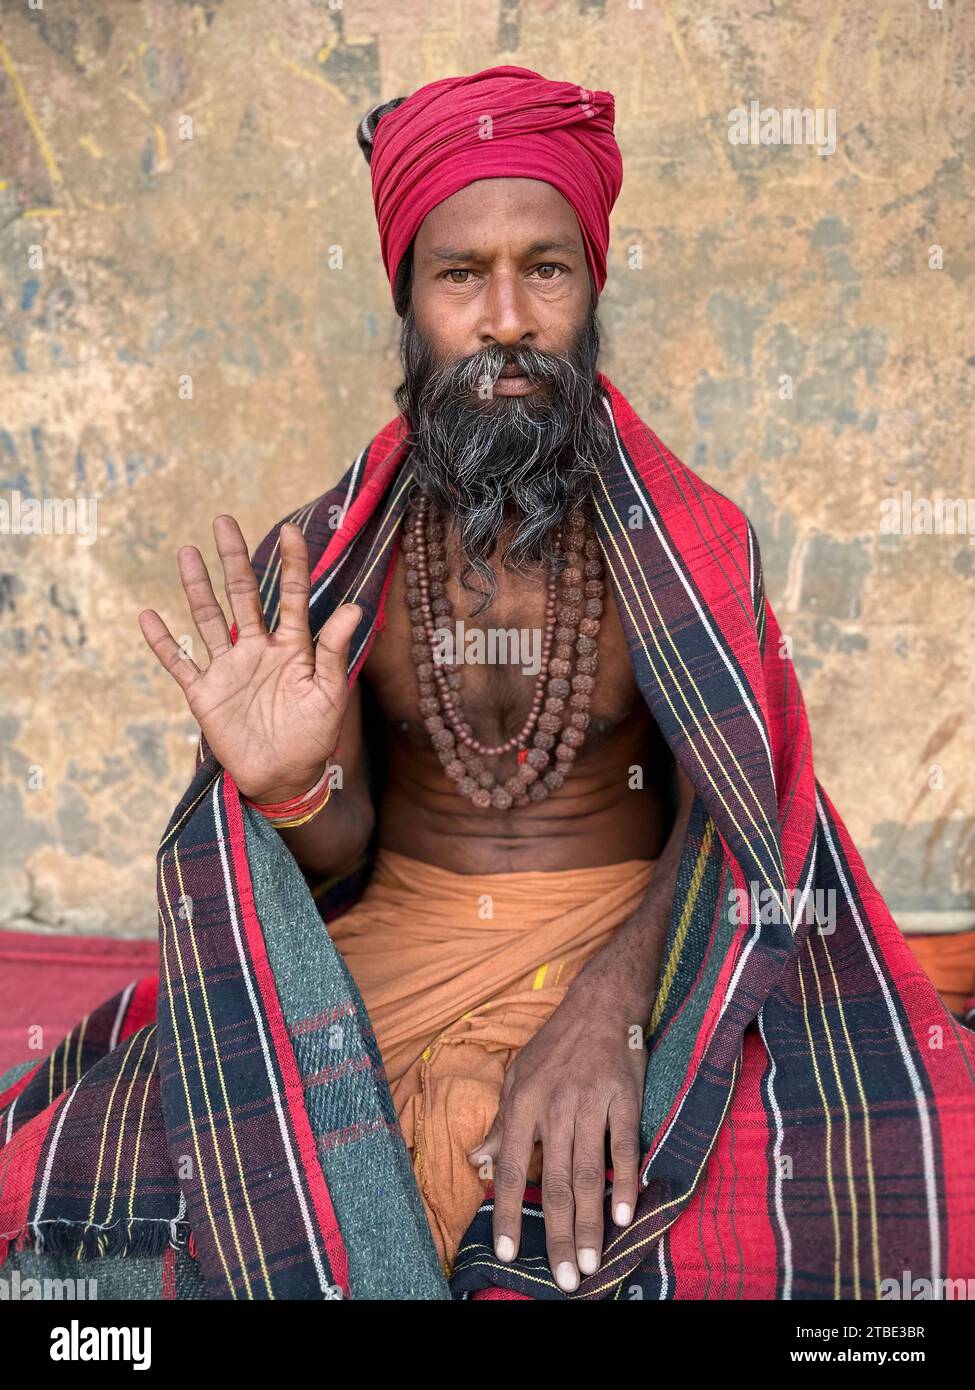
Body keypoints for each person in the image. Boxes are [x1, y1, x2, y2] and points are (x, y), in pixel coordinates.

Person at [1, 66, 973, 1303]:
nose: (505, 317)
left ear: (592, 285)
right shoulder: (330, 561)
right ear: (410, 301)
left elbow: (735, 818)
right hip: (394, 945)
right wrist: (294, 784)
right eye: (462, 275)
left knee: (901, 1185)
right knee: (86, 1201)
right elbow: (335, 845)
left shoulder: (691, 544)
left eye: (545, 269)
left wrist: (615, 1007)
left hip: (632, 935)